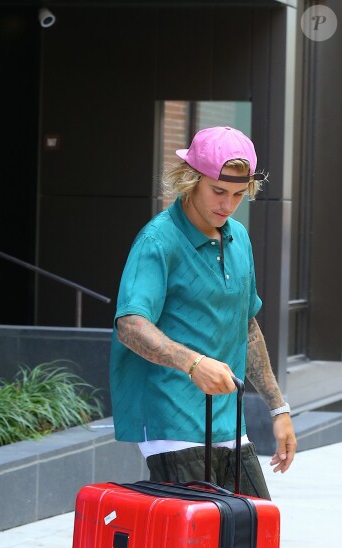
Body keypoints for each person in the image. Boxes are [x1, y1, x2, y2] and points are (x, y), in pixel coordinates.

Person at [110, 125, 296, 496]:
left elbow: (247, 327)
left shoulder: (238, 237)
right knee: (198, 545)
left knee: (253, 536)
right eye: (218, 191)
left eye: (238, 194)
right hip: (171, 420)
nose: (226, 205)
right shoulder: (158, 240)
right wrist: (193, 363)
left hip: (227, 417)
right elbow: (130, 325)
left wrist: (279, 408)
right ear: (191, 179)